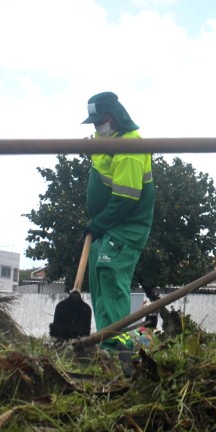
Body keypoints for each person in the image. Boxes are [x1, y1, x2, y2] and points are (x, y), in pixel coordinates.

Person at [81, 91, 155, 357]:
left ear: (112, 119)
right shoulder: (110, 143)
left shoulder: (130, 147)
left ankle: (122, 346)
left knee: (110, 278)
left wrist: (97, 223)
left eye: (99, 122)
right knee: (100, 281)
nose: (96, 127)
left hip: (125, 227)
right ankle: (107, 341)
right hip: (109, 227)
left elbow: (126, 198)